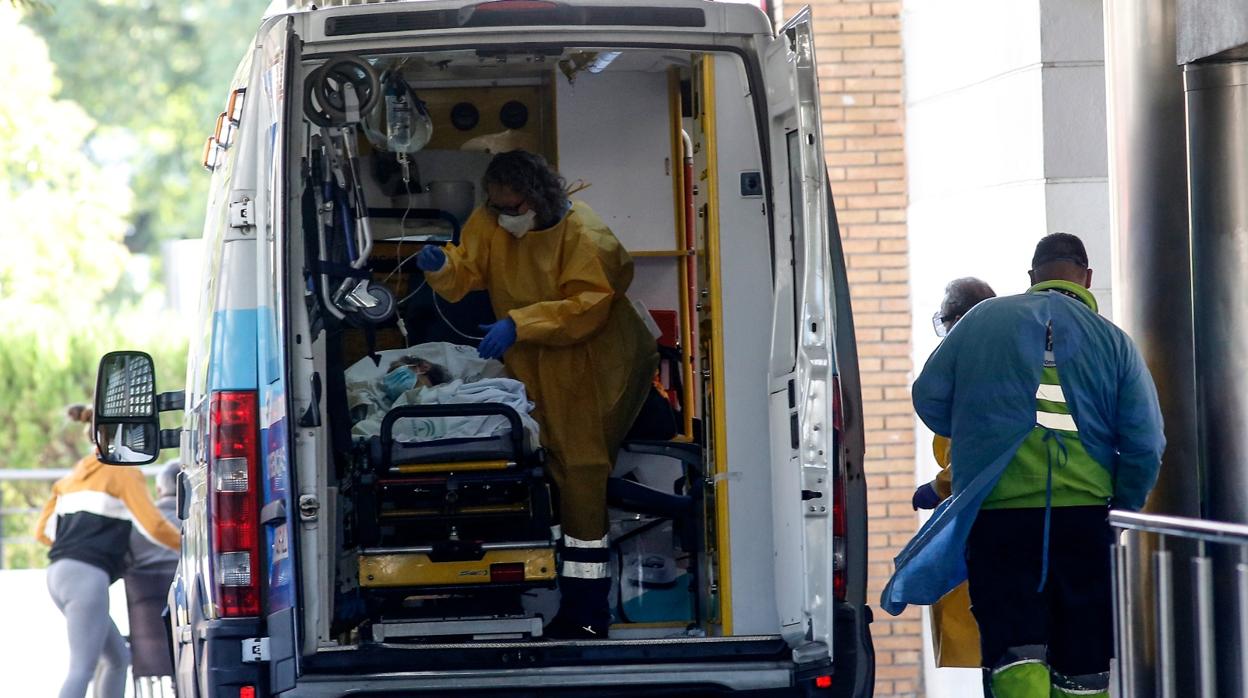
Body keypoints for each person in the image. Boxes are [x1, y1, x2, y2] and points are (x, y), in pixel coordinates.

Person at [881, 234, 1165, 698]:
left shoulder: (980, 322)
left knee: (1015, 649)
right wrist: (1121, 506)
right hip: (1085, 519)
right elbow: (1146, 442)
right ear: (1087, 277)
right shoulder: (1115, 343)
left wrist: (977, 426)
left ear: (1032, 276)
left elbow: (929, 396)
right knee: (1084, 660)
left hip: (999, 518)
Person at [415, 150, 658, 639]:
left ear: (539, 199)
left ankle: (588, 611)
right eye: (497, 206)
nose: (504, 216)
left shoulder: (586, 237)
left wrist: (519, 322)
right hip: (538, 357)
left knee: (582, 471)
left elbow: (587, 308)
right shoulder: (494, 220)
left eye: (512, 206)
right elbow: (469, 271)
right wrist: (442, 266)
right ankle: (550, 592)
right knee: (549, 466)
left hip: (597, 362)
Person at [34, 405, 182, 698]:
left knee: (117, 658)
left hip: (58, 574)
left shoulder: (70, 479)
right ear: (128, 438)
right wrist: (187, 546)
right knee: (81, 669)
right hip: (85, 579)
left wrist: (81, 548)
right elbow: (152, 524)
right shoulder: (123, 472)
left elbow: (41, 532)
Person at [911, 277, 996, 683]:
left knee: (999, 642)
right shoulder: (1012, 357)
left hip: (988, 514)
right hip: (1004, 510)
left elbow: (978, 449)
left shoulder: (975, 369)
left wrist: (938, 488)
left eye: (944, 320)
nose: (943, 332)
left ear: (961, 320)